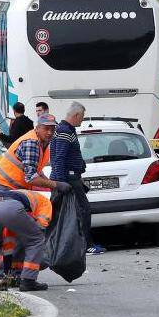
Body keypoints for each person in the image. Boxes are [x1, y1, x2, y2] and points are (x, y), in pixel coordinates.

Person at [50, 102, 106, 255]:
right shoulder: (64, 132)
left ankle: (64, 245)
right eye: (81, 117)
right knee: (83, 210)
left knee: (66, 213)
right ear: (75, 115)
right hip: (67, 178)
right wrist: (60, 183)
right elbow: (59, 158)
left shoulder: (67, 130)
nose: (82, 121)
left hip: (71, 176)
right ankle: (86, 245)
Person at [0, 189, 53, 292]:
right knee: (36, 240)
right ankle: (28, 281)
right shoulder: (46, 203)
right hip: (10, 208)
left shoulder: (24, 194)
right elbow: (40, 227)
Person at [0, 113, 71, 195]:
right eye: (46, 128)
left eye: (52, 129)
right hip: (4, 187)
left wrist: (53, 185)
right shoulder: (31, 142)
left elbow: (37, 171)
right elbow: (31, 178)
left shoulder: (42, 143)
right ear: (38, 128)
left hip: (11, 187)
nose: (50, 132)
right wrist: (56, 185)